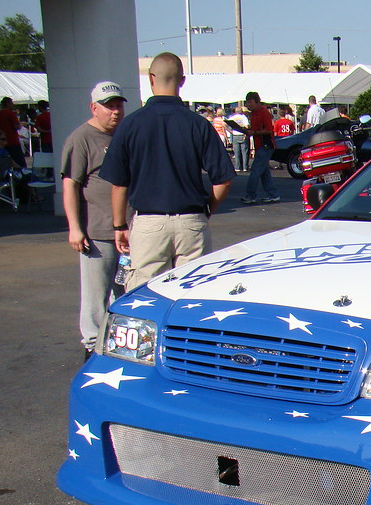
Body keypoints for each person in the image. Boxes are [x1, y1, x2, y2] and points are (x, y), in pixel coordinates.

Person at [100, 52, 235, 291]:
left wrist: (120, 225)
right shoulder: (198, 124)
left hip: (149, 223)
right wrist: (206, 210)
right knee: (193, 295)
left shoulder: (130, 125)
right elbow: (222, 180)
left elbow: (119, 184)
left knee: (146, 295)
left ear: (151, 78)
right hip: (191, 221)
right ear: (182, 80)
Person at [61, 82, 130, 360]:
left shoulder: (123, 136)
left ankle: (118, 342)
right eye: (109, 106)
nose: (115, 111)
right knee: (96, 294)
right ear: (94, 108)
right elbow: (70, 184)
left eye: (119, 105)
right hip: (97, 232)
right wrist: (75, 228)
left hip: (125, 231)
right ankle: (92, 344)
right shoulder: (81, 138)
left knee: (123, 290)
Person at [236, 91, 279, 204]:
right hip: (260, 145)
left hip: (266, 145)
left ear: (256, 101)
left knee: (255, 171)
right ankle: (273, 194)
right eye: (247, 103)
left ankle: (251, 195)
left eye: (250, 102)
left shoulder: (263, 112)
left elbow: (269, 130)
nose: (248, 105)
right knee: (264, 173)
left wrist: (253, 132)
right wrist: (247, 130)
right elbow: (255, 128)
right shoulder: (253, 113)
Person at [0, 97, 27, 169]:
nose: (12, 104)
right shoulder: (10, 113)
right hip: (12, 140)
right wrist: (21, 125)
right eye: (11, 103)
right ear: (7, 103)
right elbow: (17, 126)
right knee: (19, 161)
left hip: (2, 140)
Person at [228, 104, 250, 171]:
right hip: (242, 134)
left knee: (236, 152)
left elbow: (225, 124)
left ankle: (237, 167)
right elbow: (247, 126)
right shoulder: (243, 117)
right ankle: (245, 167)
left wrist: (230, 131)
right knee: (244, 152)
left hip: (235, 135)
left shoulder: (232, 117)